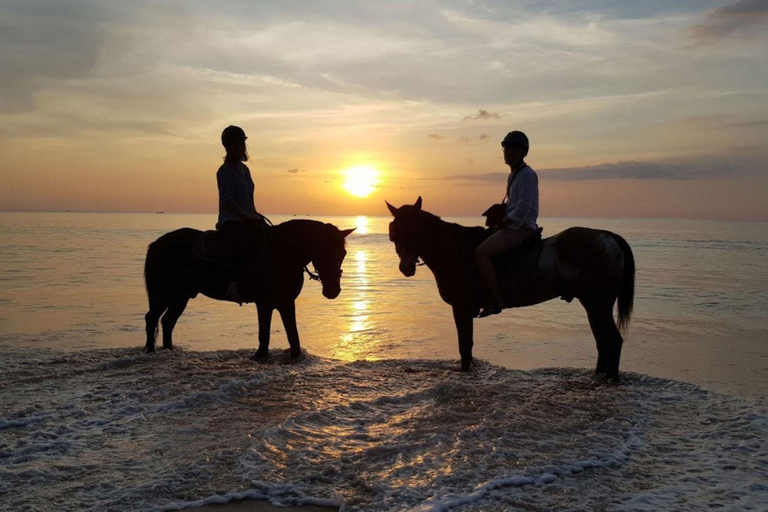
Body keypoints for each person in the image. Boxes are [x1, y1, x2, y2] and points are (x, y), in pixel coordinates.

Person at [474, 130, 539, 318]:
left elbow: (522, 210)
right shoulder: (514, 175)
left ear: (523, 152)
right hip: (512, 226)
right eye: (506, 148)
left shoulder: (527, 175)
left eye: (514, 149)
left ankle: (496, 300)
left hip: (521, 228)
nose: (509, 152)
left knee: (480, 253)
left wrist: (502, 223)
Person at [216, 125, 265, 304]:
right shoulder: (224, 171)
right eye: (236, 144)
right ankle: (234, 284)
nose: (240, 148)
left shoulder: (245, 170)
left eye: (242, 144)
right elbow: (227, 201)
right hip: (231, 220)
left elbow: (248, 198)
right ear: (228, 147)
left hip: (247, 218)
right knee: (241, 242)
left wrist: (254, 215)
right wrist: (246, 216)